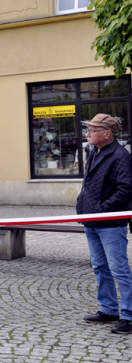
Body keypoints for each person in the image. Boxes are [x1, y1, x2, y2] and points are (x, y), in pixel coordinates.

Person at [77, 114, 132, 334]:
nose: (88, 134)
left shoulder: (121, 156)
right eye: (88, 130)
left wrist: (100, 209)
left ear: (107, 133)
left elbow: (125, 190)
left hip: (110, 223)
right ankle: (109, 308)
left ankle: (129, 315)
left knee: (119, 269)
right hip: (92, 221)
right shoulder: (94, 152)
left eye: (92, 130)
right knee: (100, 267)